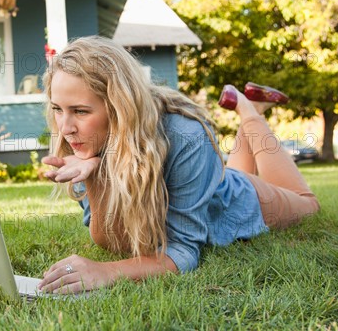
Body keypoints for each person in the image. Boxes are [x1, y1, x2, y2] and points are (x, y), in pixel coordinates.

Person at [37, 36, 320, 295]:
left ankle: (248, 109)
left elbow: (182, 252)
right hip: (211, 182)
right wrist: (95, 177)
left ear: (119, 107)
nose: (65, 128)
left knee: (309, 205)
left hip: (242, 200)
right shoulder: (87, 147)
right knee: (228, 173)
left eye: (80, 111)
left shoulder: (186, 135)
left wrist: (105, 271)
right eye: (58, 109)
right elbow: (110, 240)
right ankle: (253, 108)